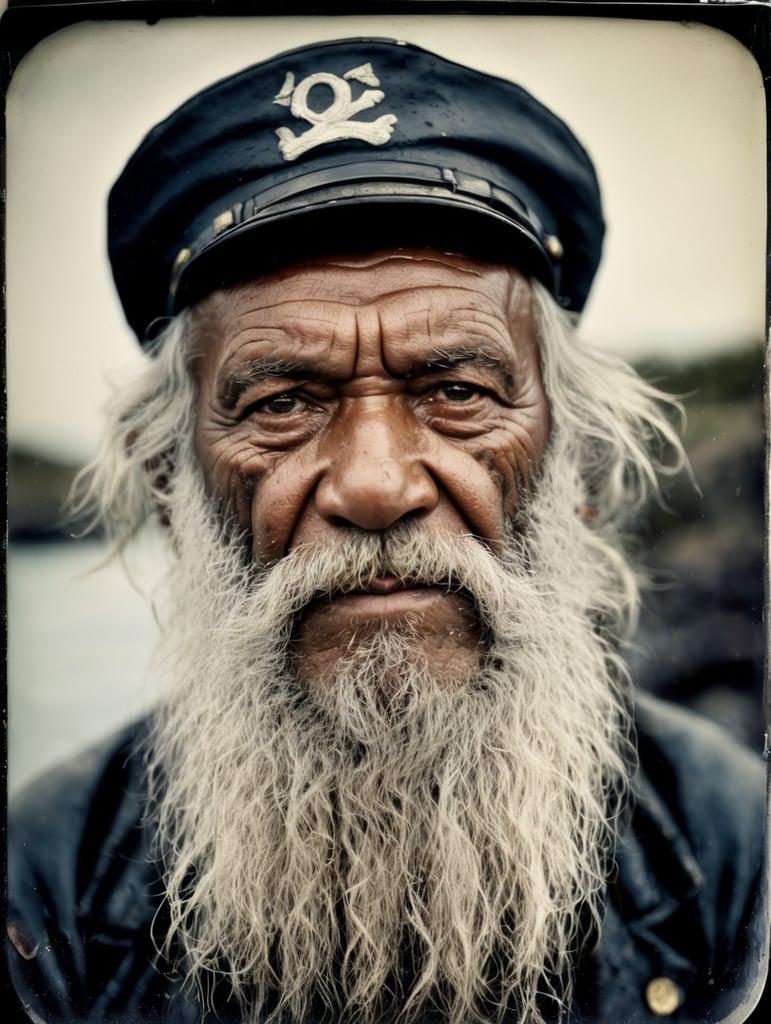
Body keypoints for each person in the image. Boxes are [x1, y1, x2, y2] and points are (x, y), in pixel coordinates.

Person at [7, 37, 768, 1024]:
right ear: (171, 491)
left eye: (458, 391)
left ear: (573, 466)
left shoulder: (736, 845)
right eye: (282, 401)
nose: (374, 483)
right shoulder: (44, 882)